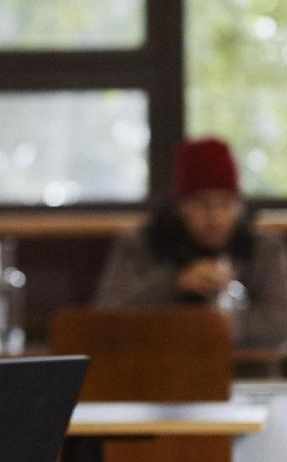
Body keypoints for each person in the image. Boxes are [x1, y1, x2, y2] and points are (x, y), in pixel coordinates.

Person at [94, 136, 287, 347]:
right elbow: (106, 319)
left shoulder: (263, 249)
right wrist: (174, 284)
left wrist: (222, 319)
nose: (215, 217)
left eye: (226, 204)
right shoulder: (141, 245)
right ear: (180, 207)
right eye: (203, 204)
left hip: (245, 373)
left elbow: (280, 322)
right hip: (159, 370)